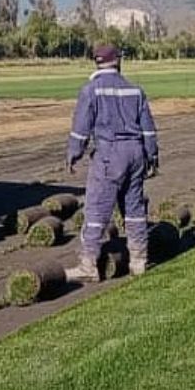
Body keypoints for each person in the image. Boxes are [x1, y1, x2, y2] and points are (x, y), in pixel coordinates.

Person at [65, 43, 158, 281]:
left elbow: (81, 128)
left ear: (97, 62)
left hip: (109, 155)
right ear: (117, 61)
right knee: (134, 208)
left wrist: (73, 154)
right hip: (136, 153)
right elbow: (148, 130)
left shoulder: (91, 90)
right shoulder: (135, 90)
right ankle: (139, 261)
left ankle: (89, 265)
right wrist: (152, 157)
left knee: (96, 209)